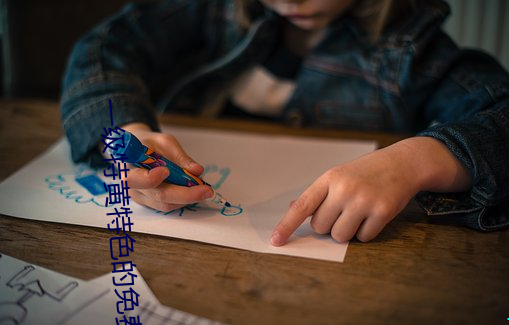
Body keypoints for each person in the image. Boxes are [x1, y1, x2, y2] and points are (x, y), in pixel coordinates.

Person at [60, 0, 509, 246]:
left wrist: (417, 160)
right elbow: (105, 49)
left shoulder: (416, 48)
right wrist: (131, 135)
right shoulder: (210, 9)